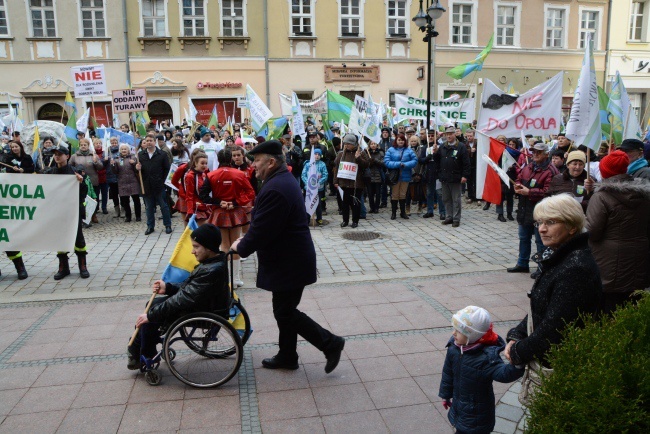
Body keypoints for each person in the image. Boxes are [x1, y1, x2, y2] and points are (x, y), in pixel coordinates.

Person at [231, 140, 345, 374]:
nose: (253, 166)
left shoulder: (276, 187)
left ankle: (330, 343)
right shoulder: (279, 181)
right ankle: (287, 355)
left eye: (257, 161)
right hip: (289, 259)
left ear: (272, 162)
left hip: (289, 262)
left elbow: (263, 229)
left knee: (285, 311)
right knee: (284, 309)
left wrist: (240, 247)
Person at [504, 194, 602, 369]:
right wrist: (518, 334)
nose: (541, 229)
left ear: (571, 226)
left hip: (562, 366)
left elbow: (555, 328)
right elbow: (541, 305)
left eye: (550, 222)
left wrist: (518, 351)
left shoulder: (575, 268)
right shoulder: (558, 256)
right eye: (539, 222)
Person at [127, 224, 231, 369]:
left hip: (202, 311)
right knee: (152, 306)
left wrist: (151, 316)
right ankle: (142, 343)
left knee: (150, 315)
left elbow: (184, 298)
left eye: (196, 246)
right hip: (204, 304)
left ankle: (145, 355)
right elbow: (190, 288)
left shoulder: (210, 270)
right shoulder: (212, 263)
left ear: (208, 247)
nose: (192, 251)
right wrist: (168, 287)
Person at [439, 306, 524, 434]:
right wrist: (445, 394)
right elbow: (448, 373)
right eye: (454, 329)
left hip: (478, 416)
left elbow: (504, 374)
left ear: (473, 335)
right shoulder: (454, 348)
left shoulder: (486, 358)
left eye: (459, 331)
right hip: (459, 408)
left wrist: (517, 364)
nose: (453, 333)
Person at [585, 150, 650, 314]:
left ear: (605, 171)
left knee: (609, 310)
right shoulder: (644, 194)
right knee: (634, 308)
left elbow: (592, 231)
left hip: (608, 263)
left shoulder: (601, 197)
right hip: (640, 258)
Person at [199, 149, 256, 287]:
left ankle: (226, 278)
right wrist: (236, 202)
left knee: (224, 245)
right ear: (231, 159)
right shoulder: (240, 174)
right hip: (235, 211)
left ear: (218, 160)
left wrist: (219, 202)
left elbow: (203, 194)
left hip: (219, 212)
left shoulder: (211, 175)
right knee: (235, 243)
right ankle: (235, 279)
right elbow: (250, 192)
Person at [508, 142, 558, 276]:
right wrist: (517, 186)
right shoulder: (528, 166)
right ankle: (522, 263)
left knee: (541, 241)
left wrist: (529, 192)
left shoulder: (551, 170)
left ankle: (542, 267)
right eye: (534, 152)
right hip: (525, 209)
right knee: (523, 238)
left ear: (546, 154)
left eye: (538, 152)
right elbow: (519, 179)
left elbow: (549, 192)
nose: (535, 154)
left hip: (542, 211)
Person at [45, 143, 92, 280]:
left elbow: (84, 193)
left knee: (78, 238)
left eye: (60, 154)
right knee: (60, 238)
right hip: (57, 211)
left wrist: (81, 182)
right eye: (55, 154)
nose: (57, 156)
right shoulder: (50, 172)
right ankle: (63, 267)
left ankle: (82, 266)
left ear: (67, 156)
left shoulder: (74, 172)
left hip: (73, 210)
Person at [433, 126, 471, 227]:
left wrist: (465, 175)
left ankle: (456, 218)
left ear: (455, 134)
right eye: (447, 134)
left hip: (456, 177)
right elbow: (437, 161)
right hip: (444, 177)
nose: (449, 136)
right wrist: (435, 153)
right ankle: (449, 216)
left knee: (456, 199)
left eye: (450, 134)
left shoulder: (461, 146)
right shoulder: (442, 146)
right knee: (446, 198)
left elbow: (466, 163)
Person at [136, 134, 173, 235]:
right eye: (147, 140)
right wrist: (138, 169)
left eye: (150, 140)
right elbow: (139, 172)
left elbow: (167, 169)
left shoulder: (162, 154)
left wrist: (164, 182)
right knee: (149, 207)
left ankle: (168, 225)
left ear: (155, 141)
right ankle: (150, 226)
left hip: (159, 184)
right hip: (147, 185)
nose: (149, 142)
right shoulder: (140, 155)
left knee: (164, 206)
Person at [333, 134, 370, 228]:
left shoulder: (361, 153)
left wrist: (358, 158)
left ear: (354, 144)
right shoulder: (341, 154)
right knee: (345, 203)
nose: (346, 145)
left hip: (357, 183)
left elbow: (366, 164)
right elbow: (336, 167)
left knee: (355, 203)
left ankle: (355, 221)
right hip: (344, 183)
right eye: (345, 143)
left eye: (349, 144)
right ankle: (345, 220)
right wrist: (335, 181)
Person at [384, 133, 418, 220]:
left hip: (405, 175)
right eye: (399, 140)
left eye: (402, 140)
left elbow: (415, 160)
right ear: (396, 140)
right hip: (394, 176)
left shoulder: (409, 150)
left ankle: (403, 213)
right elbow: (386, 162)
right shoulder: (391, 150)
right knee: (395, 195)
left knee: (403, 194)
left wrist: (405, 164)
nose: (401, 141)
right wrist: (398, 164)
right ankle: (394, 213)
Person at [69, 138, 103, 223]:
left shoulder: (93, 155)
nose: (83, 146)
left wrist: (96, 162)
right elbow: (70, 167)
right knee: (82, 200)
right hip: (80, 181)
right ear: (79, 146)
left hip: (93, 180)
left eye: (85, 145)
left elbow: (100, 167)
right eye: (81, 145)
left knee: (94, 199)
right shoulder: (74, 156)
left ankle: (94, 214)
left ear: (88, 146)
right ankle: (83, 215)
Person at [112, 144, 142, 223]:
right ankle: (128, 216)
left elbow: (137, 170)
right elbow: (115, 171)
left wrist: (134, 164)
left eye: (125, 149)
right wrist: (113, 165)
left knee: (136, 200)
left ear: (128, 150)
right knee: (125, 201)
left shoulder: (133, 158)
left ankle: (138, 216)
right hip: (122, 182)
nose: (124, 150)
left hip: (133, 181)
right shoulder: (117, 159)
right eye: (122, 149)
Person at [301, 148, 328, 225]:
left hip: (319, 188)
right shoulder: (307, 164)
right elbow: (303, 175)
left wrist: (320, 182)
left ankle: (319, 218)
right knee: (308, 203)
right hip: (308, 188)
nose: (317, 156)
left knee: (318, 204)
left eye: (318, 155)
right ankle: (307, 219)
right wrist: (307, 183)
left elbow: (325, 175)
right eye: (315, 154)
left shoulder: (322, 164)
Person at [183, 151, 210, 225]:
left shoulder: (203, 174)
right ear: (195, 163)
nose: (204, 165)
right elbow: (189, 195)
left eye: (206, 163)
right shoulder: (190, 176)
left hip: (204, 206)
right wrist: (190, 211)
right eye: (202, 163)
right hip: (196, 208)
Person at [366, 140, 385, 214]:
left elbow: (383, 163)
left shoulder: (380, 153)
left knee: (377, 193)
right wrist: (370, 162)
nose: (373, 145)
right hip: (369, 176)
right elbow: (366, 163)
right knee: (370, 194)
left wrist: (375, 160)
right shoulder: (367, 153)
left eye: (374, 144)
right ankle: (372, 207)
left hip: (378, 176)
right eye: (372, 144)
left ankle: (376, 207)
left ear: (377, 145)